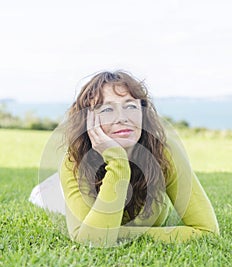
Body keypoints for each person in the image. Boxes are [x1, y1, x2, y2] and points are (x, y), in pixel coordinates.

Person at [30, 70, 220, 247]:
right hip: (62, 194)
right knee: (47, 197)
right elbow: (91, 241)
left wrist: (115, 232)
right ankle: (44, 190)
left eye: (130, 106)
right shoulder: (74, 161)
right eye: (106, 110)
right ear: (88, 121)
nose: (122, 118)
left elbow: (207, 230)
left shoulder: (164, 150)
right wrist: (118, 162)